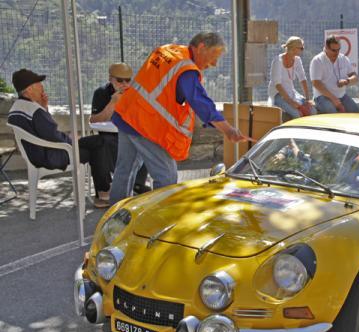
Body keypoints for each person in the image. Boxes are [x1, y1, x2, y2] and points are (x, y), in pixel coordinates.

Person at [109, 32, 249, 205]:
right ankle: (159, 221)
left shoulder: (167, 50)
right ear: (201, 47)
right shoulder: (186, 69)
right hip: (146, 125)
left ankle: (114, 216)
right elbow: (201, 102)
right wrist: (228, 130)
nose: (214, 64)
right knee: (166, 177)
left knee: (125, 170)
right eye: (214, 56)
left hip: (127, 114)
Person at [7, 69, 112, 208]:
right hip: (52, 155)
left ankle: (103, 192)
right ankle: (104, 193)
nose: (42, 87)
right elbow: (53, 135)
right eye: (39, 84)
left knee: (97, 142)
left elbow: (45, 132)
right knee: (98, 146)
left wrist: (44, 107)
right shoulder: (34, 110)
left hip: (38, 153)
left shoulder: (17, 107)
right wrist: (72, 141)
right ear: (29, 89)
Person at [90, 62, 150, 195]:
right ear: (110, 78)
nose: (124, 84)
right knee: (103, 144)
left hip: (130, 133)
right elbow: (94, 120)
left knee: (144, 142)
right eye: (119, 80)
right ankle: (111, 187)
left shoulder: (135, 92)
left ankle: (138, 184)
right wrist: (112, 103)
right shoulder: (101, 93)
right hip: (109, 136)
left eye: (128, 80)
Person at [309, 35, 359, 114]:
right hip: (322, 96)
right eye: (333, 50)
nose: (336, 53)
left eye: (338, 50)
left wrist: (347, 81)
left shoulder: (343, 59)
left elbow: (355, 77)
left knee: (355, 111)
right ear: (326, 47)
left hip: (341, 96)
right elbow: (316, 83)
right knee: (332, 112)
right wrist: (334, 99)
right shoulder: (317, 61)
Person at [267, 36, 316, 119]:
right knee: (297, 114)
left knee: (313, 111)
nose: (302, 49)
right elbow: (277, 84)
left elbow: (302, 79)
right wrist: (291, 102)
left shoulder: (297, 60)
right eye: (301, 48)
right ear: (293, 48)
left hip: (291, 91)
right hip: (278, 94)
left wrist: (307, 99)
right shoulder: (277, 61)